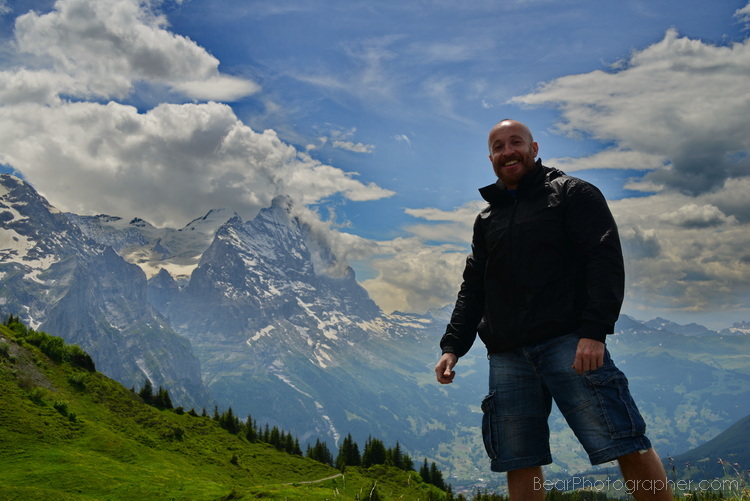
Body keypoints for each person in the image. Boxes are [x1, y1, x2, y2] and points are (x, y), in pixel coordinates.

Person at [434, 119, 672, 500]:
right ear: (491, 158)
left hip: (569, 344)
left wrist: (594, 332)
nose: (507, 151)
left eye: (516, 142)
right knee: (519, 458)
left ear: (534, 147)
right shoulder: (486, 219)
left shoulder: (573, 194)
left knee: (624, 439)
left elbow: (604, 261)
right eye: (498, 146)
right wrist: (452, 346)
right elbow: (474, 287)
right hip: (507, 354)